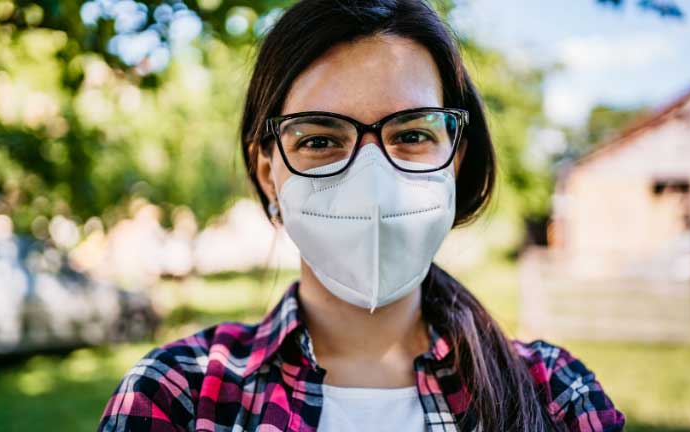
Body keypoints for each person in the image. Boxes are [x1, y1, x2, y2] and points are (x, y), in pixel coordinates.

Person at [97, 0, 626, 431]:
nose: (371, 178)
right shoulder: (176, 397)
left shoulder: (556, 397)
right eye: (321, 139)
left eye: (412, 134)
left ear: (455, 159)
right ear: (267, 172)